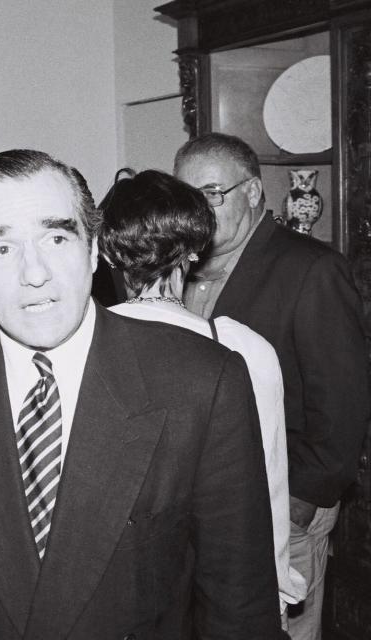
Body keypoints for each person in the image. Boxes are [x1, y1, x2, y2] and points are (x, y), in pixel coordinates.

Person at [0, 149, 282, 639]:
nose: (35, 273)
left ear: (93, 250)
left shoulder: (202, 381)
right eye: (1, 249)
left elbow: (239, 604)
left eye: (57, 237)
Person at [174, 133, 370, 640]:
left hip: (285, 505)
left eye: (213, 193)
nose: (199, 209)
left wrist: (299, 502)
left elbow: (342, 404)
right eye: (187, 196)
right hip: (208, 508)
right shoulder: (181, 271)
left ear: (255, 192)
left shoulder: (312, 269)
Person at [98, 168, 307, 630]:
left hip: (113, 592)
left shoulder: (76, 348)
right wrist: (270, 597)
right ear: (194, 249)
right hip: (214, 587)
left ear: (108, 251)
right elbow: (266, 490)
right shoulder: (244, 349)